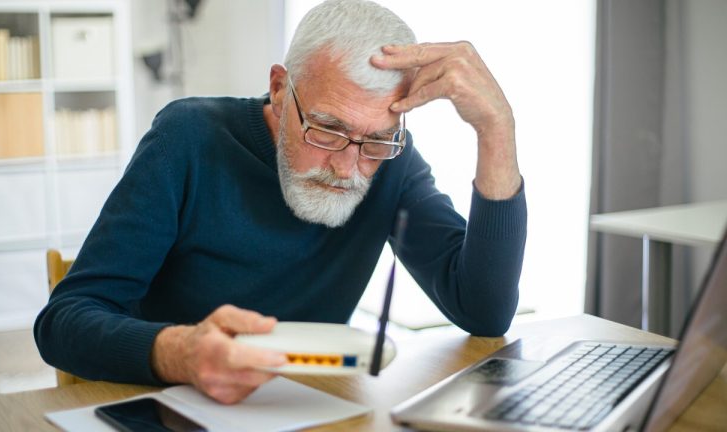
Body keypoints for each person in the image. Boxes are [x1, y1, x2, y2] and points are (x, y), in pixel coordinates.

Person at [35, 0, 526, 405]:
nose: (347, 167)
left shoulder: (392, 161)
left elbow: (483, 312)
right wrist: (178, 352)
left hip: (311, 408)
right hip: (176, 409)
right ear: (278, 87)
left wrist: (496, 130)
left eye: (376, 140)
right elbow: (64, 320)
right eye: (328, 128)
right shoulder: (188, 139)